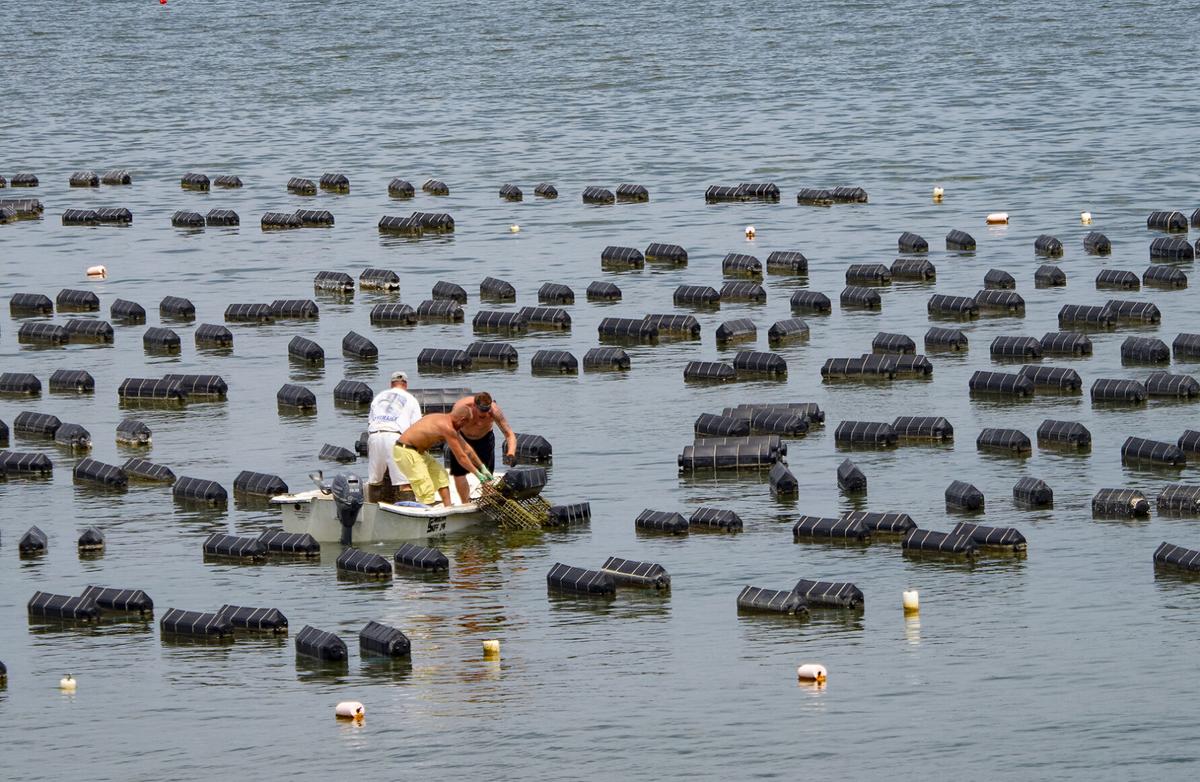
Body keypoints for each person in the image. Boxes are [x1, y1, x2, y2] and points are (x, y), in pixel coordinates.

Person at [394, 410, 493, 506]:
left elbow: (467, 449)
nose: (463, 428)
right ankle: (427, 511)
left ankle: (448, 507)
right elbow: (461, 457)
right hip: (406, 450)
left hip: (420, 452)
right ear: (462, 419)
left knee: (441, 475)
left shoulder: (450, 422)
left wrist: (482, 466)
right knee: (424, 483)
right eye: (464, 424)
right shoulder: (446, 427)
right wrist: (477, 474)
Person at [448, 391, 517, 504]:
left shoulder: (495, 411)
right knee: (459, 473)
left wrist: (511, 453)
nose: (482, 419)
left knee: (487, 474)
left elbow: (509, 434)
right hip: (462, 438)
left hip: (485, 440)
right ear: (474, 406)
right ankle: (465, 503)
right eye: (481, 414)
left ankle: (486, 502)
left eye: (487, 413)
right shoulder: (461, 409)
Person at [366, 371, 421, 503]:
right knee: (405, 483)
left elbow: (370, 422)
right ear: (405, 384)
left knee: (375, 481)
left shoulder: (379, 397)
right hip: (395, 437)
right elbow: (416, 429)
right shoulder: (411, 399)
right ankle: (407, 514)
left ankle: (374, 512)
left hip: (374, 436)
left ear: (391, 384)